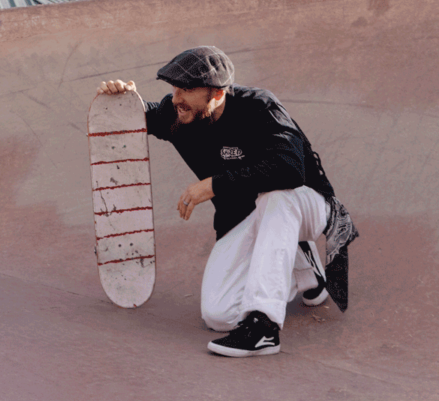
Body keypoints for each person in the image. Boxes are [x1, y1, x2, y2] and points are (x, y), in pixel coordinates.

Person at [97, 46, 358, 357]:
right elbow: (139, 116)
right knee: (219, 316)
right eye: (175, 88)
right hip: (244, 216)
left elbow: (290, 170)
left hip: (306, 205)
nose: (177, 98)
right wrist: (121, 99)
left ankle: (264, 327)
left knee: (275, 198)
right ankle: (304, 271)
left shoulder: (259, 107)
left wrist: (214, 185)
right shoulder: (180, 113)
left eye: (188, 89)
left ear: (217, 93)